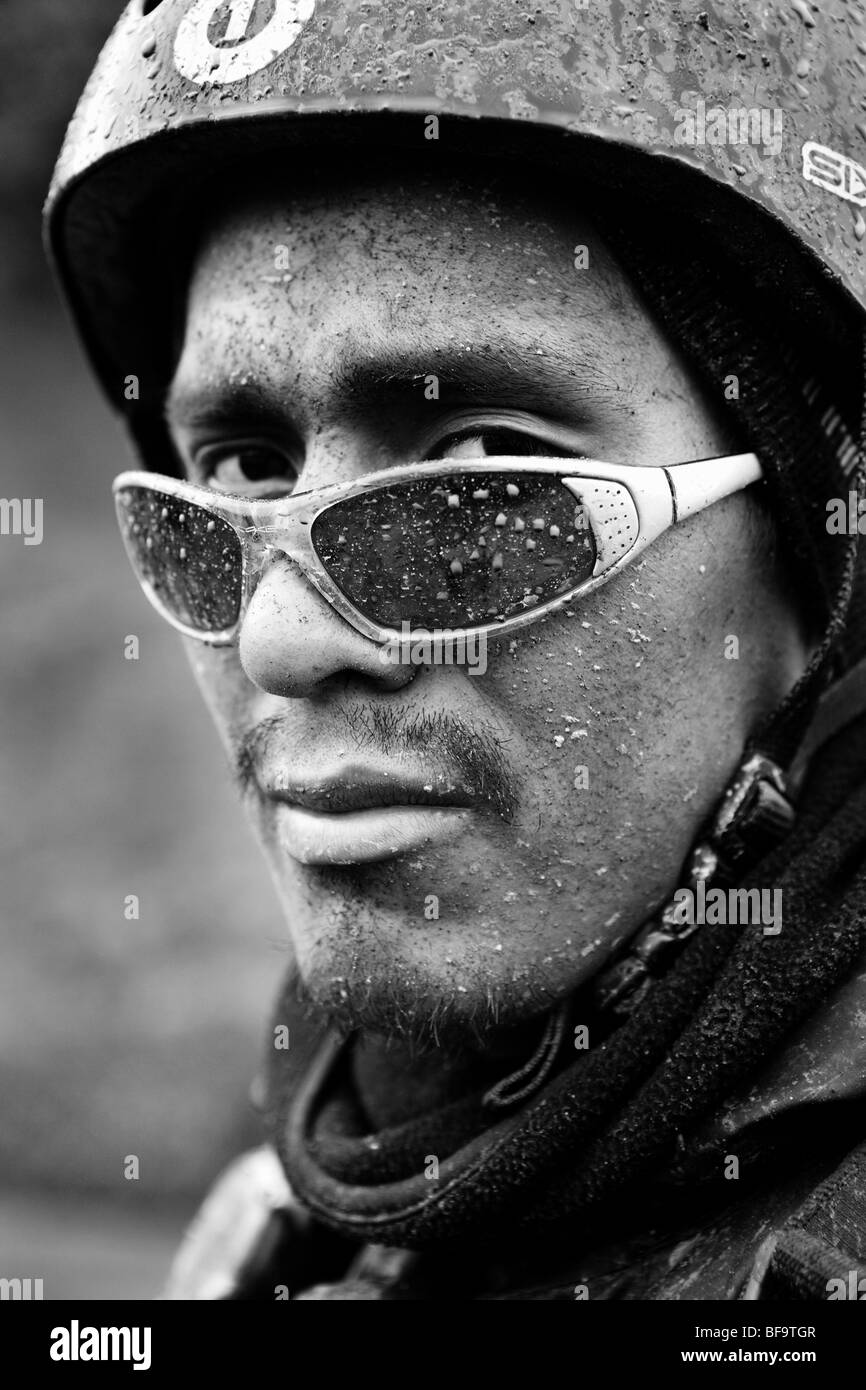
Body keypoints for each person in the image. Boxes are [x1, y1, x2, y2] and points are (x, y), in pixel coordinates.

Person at [46, 0, 866, 1300]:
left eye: (480, 476)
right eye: (241, 473)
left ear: (828, 566)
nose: (283, 636)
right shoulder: (279, 1230)